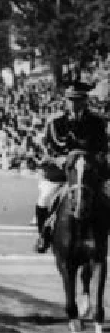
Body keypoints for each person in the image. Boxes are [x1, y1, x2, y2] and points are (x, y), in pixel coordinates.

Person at [33, 79, 107, 253]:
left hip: (88, 171)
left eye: (79, 100)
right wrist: (57, 159)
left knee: (106, 195)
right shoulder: (55, 122)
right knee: (45, 198)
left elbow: (103, 147)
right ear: (65, 101)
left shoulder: (97, 122)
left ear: (85, 101)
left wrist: (94, 160)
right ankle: (43, 236)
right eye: (71, 100)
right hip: (60, 172)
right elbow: (47, 147)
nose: (75, 104)